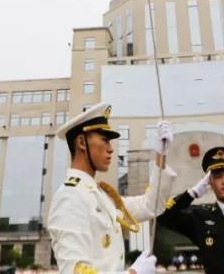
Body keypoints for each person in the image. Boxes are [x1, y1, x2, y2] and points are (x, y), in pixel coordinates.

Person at [47, 102, 176, 274]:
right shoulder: (70, 196)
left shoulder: (101, 196)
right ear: (82, 143)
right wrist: (133, 273)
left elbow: (150, 206)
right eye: (105, 140)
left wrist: (161, 155)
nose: (111, 149)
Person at [157, 146, 224, 274]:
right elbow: (162, 216)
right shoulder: (201, 217)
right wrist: (192, 193)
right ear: (210, 184)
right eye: (218, 177)